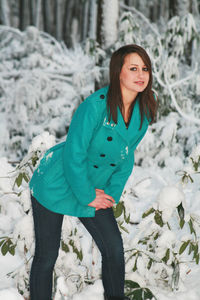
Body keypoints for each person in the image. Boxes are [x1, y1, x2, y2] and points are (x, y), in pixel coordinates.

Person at [29, 44, 157, 300]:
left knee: (113, 249)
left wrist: (110, 194)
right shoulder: (95, 106)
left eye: (144, 68)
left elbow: (126, 156)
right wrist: (87, 195)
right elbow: (74, 154)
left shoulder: (144, 112)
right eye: (133, 68)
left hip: (95, 188)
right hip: (57, 181)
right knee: (47, 255)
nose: (140, 74)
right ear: (118, 72)